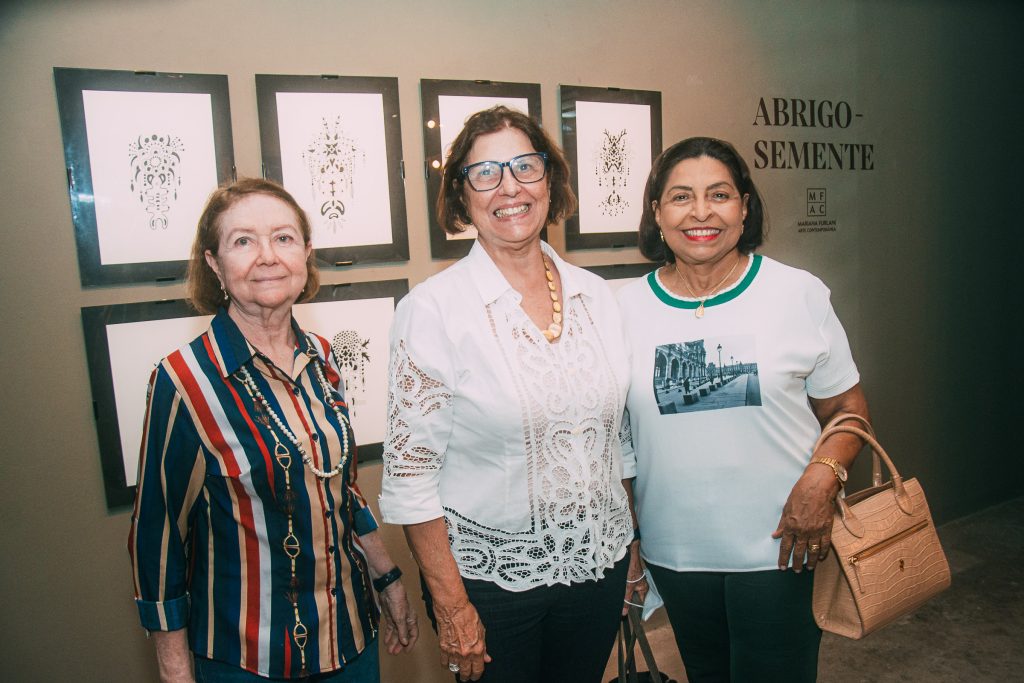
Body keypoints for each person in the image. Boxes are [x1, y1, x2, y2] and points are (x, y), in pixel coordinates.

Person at [378, 106, 644, 683]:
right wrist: (451, 606)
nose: (510, 187)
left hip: (598, 568)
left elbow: (616, 444)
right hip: (491, 587)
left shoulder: (598, 298)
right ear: (461, 195)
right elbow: (410, 476)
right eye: (485, 173)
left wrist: (632, 554)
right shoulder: (433, 311)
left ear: (550, 180)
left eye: (525, 166)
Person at [128, 178, 417, 683]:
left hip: (350, 639)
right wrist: (175, 672)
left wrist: (387, 578)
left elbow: (341, 489)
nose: (267, 256)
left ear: (306, 255)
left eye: (283, 238)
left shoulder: (323, 359)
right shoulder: (184, 381)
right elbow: (157, 539)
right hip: (247, 658)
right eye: (243, 241)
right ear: (214, 263)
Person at [618, 137, 869, 682]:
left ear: (745, 207)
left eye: (720, 194)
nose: (701, 212)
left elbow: (848, 408)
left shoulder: (797, 293)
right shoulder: (621, 309)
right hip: (677, 554)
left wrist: (821, 480)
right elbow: (618, 442)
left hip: (782, 547)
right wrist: (631, 543)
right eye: (681, 196)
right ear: (657, 212)